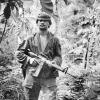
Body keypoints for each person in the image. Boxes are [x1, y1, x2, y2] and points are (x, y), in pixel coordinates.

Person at [16, 12, 62, 100]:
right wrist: (29, 60)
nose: (42, 22)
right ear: (37, 23)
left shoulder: (55, 40)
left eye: (45, 20)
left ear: (49, 23)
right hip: (32, 75)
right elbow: (18, 53)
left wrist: (54, 62)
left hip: (49, 75)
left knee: (51, 97)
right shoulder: (30, 39)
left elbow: (58, 56)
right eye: (40, 20)